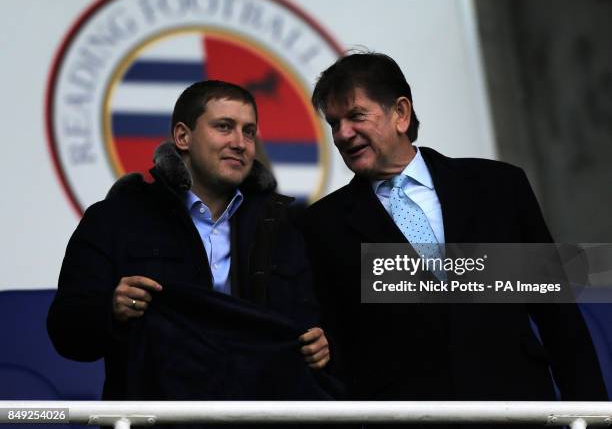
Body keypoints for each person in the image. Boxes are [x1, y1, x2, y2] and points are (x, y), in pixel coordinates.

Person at [300, 52, 607, 404]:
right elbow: (334, 337)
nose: (343, 134)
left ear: (400, 113)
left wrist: (591, 412)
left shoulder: (498, 187)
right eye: (334, 123)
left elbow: (556, 315)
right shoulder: (322, 225)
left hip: (514, 407)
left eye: (356, 116)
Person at [47, 80, 331, 400]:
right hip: (156, 419)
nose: (240, 142)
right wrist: (111, 309)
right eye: (224, 127)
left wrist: (321, 341)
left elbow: (312, 321)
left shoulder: (285, 225)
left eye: (249, 131)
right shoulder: (115, 219)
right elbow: (65, 332)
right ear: (183, 136)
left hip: (256, 419)